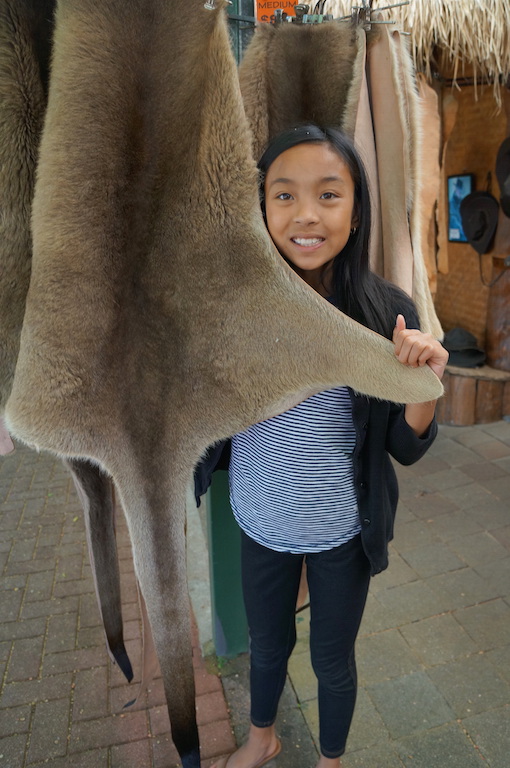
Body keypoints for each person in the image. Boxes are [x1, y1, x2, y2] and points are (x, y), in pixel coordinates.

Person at [196, 124, 449, 768]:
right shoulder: (234, 309)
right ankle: (263, 739)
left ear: (356, 208)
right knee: (267, 643)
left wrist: (424, 381)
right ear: (261, 207)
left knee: (333, 659)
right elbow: (199, 415)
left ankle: (330, 760)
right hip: (259, 517)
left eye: (328, 195)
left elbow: (405, 446)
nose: (306, 215)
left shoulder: (382, 312)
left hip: (344, 531)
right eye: (284, 196)